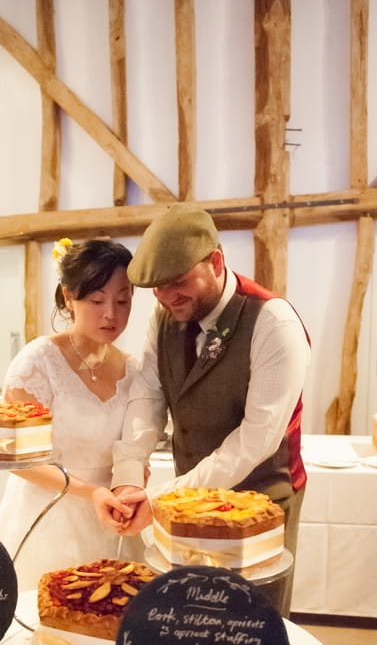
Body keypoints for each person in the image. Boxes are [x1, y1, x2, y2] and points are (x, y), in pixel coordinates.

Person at [94, 204, 311, 614]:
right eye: (156, 288)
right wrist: (127, 476)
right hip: (190, 499)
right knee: (195, 617)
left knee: (251, 625)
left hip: (259, 501)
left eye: (178, 282)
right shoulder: (164, 314)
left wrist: (162, 499)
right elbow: (150, 395)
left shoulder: (273, 322)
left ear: (215, 261)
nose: (165, 297)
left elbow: (256, 440)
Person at [0, 238, 145, 590]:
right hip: (48, 517)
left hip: (110, 518)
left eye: (123, 300)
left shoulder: (132, 370)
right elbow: (18, 459)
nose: (111, 313)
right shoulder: (37, 363)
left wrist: (132, 481)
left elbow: (133, 448)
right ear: (67, 298)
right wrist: (89, 491)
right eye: (96, 300)